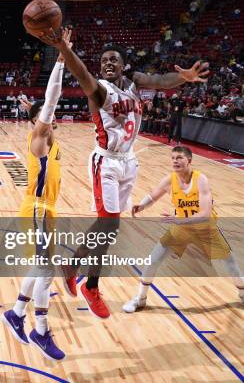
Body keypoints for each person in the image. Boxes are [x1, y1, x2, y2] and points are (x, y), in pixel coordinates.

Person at [41, 28, 210, 319]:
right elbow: (82, 74)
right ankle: (91, 286)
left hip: (129, 162)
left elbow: (159, 81)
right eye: (104, 59)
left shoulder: (134, 83)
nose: (108, 63)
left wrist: (183, 78)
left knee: (108, 225)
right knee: (109, 225)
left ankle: (72, 266)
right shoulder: (100, 89)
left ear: (123, 65)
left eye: (114, 59)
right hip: (105, 163)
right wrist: (65, 51)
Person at [1, 29, 71, 361]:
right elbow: (52, 99)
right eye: (47, 115)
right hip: (37, 209)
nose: (53, 117)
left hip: (48, 209)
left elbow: (48, 107)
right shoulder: (38, 138)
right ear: (39, 120)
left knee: (40, 267)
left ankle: (16, 313)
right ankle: (41, 330)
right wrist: (60, 59)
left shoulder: (51, 141)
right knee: (46, 270)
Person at [123, 146, 244, 311]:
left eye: (179, 157)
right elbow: (154, 195)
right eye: (173, 158)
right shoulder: (169, 180)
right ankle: (140, 299)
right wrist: (142, 205)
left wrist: (181, 220)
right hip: (181, 230)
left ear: (189, 161)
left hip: (205, 229)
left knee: (230, 265)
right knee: (152, 261)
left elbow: (205, 214)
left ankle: (243, 295)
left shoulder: (201, 180)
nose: (175, 161)